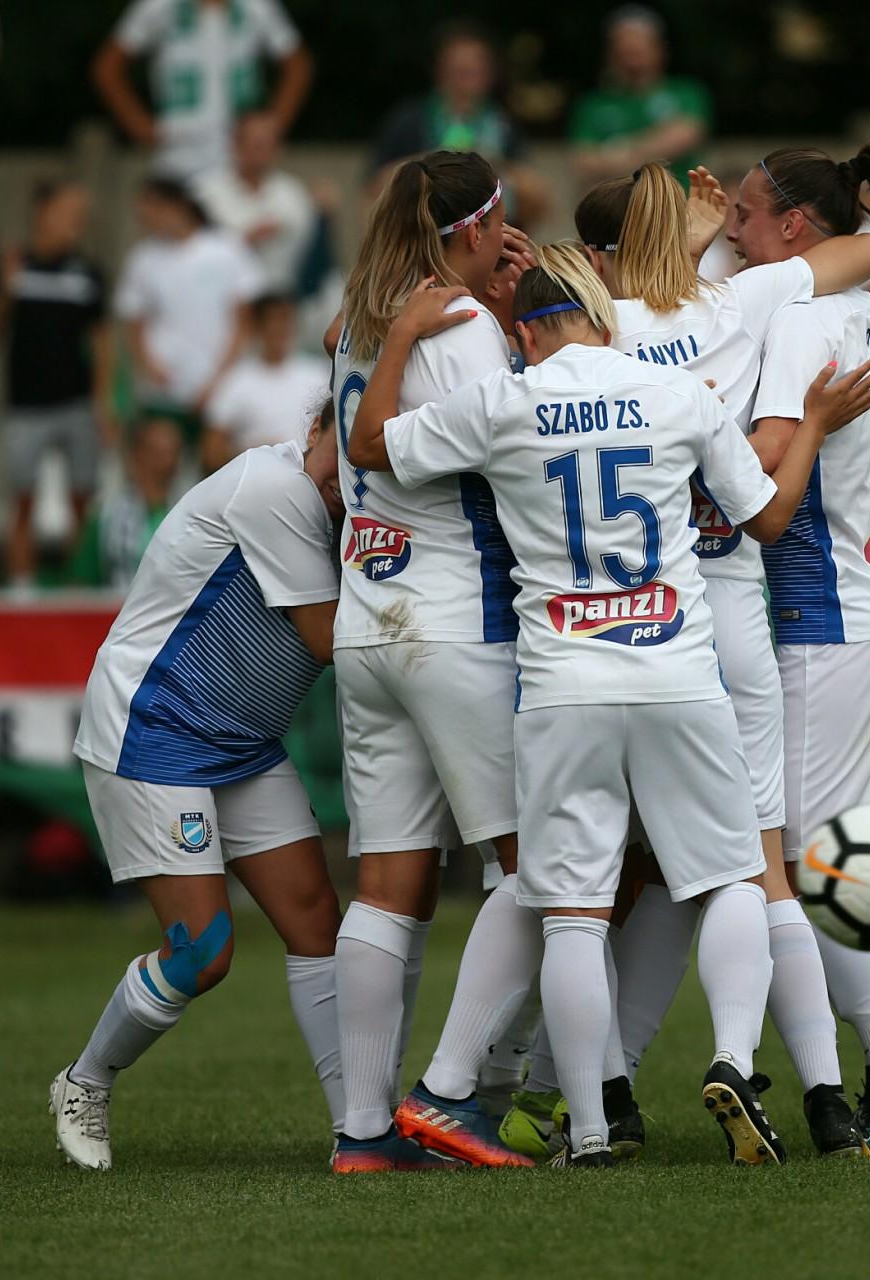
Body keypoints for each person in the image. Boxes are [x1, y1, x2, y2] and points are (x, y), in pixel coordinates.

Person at [347, 247, 870, 1168]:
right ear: (604, 320)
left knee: (571, 916)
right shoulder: (675, 395)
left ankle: (593, 1131)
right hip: (677, 671)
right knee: (732, 879)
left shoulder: (503, 400)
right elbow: (765, 517)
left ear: (525, 336)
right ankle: (732, 1058)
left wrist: (397, 339)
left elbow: (370, 447)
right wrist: (813, 424)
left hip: (563, 686)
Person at [498, 161, 870, 1162]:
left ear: (600, 257)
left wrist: (670, 244)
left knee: (598, 892)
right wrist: (711, 253)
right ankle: (822, 1097)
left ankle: (593, 1099)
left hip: (610, 634)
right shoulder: (740, 299)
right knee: (757, 872)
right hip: (730, 615)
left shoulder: (598, 336)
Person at [49, 399, 346, 1172]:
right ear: (314, 431)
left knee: (317, 922)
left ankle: (361, 1129)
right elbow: (327, 638)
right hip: (156, 730)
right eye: (339, 448)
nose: (346, 475)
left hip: (241, 739)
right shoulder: (276, 488)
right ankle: (84, 1081)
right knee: (205, 951)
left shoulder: (350, 506)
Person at [731, 144, 870, 1155]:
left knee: (803, 869)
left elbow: (775, 456)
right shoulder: (864, 309)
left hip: (830, 625)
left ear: (794, 226)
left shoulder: (797, 318)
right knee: (846, 864)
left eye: (746, 214)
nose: (734, 231)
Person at [328, 151, 537, 1175]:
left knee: (386, 885)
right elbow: (519, 459)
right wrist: (513, 327)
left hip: (368, 618)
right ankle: (455, 1093)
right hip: (455, 620)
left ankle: (363, 1131)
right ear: (477, 229)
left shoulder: (358, 322)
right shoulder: (461, 327)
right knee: (539, 866)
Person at [0, 179, 114, 584]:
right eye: (68, 213)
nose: (76, 222)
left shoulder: (88, 273)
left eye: (81, 216)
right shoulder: (15, 265)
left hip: (75, 401)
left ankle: (76, 583)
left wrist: (102, 403)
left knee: (81, 498)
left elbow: (101, 343)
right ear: (42, 213)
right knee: (22, 499)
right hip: (24, 404)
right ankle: (21, 586)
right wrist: (7, 289)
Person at [93, 0, 313, 180]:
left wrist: (268, 132)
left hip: (237, 159)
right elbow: (108, 69)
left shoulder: (257, 5)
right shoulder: (157, 5)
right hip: (178, 154)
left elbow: (298, 67)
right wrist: (142, 128)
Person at [116, 177, 264, 441]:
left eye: (153, 211)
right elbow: (134, 323)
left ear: (178, 206)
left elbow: (244, 321)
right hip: (162, 392)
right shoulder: (143, 258)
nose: (147, 220)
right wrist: (150, 367)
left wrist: (219, 378)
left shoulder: (226, 249)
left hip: (219, 387)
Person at [367, 21, 549, 230]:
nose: (468, 80)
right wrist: (437, 160)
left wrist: (490, 163)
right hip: (423, 230)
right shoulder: (410, 120)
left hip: (489, 228)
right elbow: (375, 187)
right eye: (460, 71)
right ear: (440, 71)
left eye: (475, 72)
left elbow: (537, 195)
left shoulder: (502, 123)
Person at [570, 5, 712, 190]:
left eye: (637, 50)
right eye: (624, 51)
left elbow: (686, 135)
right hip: (620, 205)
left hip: (679, 201)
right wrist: (654, 148)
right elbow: (583, 163)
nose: (630, 59)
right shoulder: (592, 105)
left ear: (659, 49)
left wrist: (616, 152)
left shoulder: (686, 92)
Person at [203, 293, 327, 472]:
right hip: (254, 477)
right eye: (271, 321)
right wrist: (258, 454)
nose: (278, 328)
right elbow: (212, 453)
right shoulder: (236, 380)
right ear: (258, 328)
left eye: (284, 320)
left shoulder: (318, 374)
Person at [196, 112, 316, 295]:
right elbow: (191, 251)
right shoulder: (204, 192)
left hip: (280, 297)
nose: (263, 151)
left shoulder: (294, 194)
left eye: (269, 144)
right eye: (256, 144)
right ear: (234, 145)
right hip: (219, 296)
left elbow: (307, 255)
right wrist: (244, 241)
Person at [66, 416, 183, 590]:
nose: (168, 461)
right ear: (138, 455)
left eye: (173, 452)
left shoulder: (191, 512)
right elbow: (82, 582)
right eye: (158, 452)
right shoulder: (107, 514)